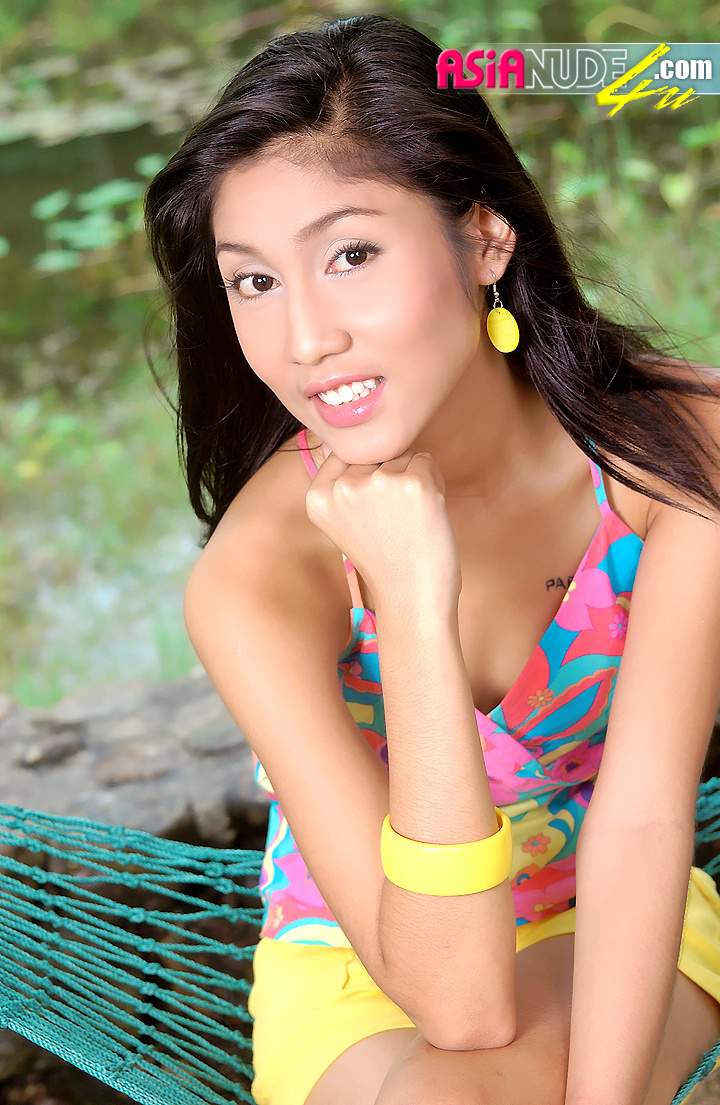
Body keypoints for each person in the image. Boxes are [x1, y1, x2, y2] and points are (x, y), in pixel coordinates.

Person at [143, 14, 720, 1105]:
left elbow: (644, 817)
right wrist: (411, 601)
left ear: (485, 241)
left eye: (351, 255)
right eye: (253, 282)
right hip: (362, 957)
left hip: (615, 913)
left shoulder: (676, 454)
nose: (305, 339)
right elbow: (460, 1004)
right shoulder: (257, 578)